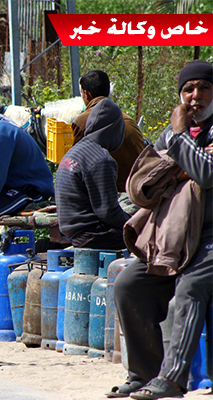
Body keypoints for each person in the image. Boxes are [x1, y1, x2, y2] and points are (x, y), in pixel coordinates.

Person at [106, 60, 213, 399]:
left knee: (190, 288)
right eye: (188, 89)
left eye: (204, 88)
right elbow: (146, 180)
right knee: (128, 285)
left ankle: (173, 378)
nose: (195, 96)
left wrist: (181, 142)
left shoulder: (178, 132)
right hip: (174, 235)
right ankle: (143, 373)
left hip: (209, 238)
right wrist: (184, 157)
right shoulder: (170, 132)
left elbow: (207, 173)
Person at [56, 98, 130, 250]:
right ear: (114, 129)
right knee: (147, 236)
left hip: (72, 231)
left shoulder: (74, 152)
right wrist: (132, 223)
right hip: (91, 234)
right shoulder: (101, 159)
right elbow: (108, 212)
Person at [72, 70, 144, 192]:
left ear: (86, 94)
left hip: (104, 192)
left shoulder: (81, 121)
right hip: (135, 190)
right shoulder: (129, 120)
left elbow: (75, 164)